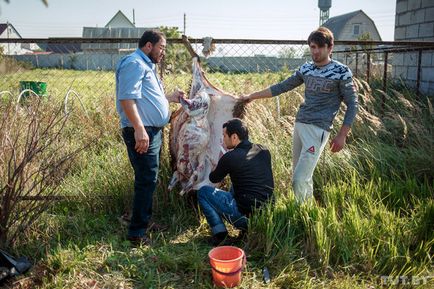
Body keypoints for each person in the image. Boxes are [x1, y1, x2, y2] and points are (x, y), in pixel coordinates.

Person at [243, 27, 358, 202]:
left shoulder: (341, 71)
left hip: (318, 129)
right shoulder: (306, 68)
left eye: (320, 47)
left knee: (299, 179)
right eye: (313, 47)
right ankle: (305, 213)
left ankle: (305, 216)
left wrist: (342, 135)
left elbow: (352, 104)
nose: (316, 51)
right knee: (300, 176)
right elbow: (281, 87)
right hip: (300, 125)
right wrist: (251, 96)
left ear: (330, 48)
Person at [115, 30, 185, 245]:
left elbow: (146, 97)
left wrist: (169, 99)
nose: (163, 52)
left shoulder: (146, 65)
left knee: (149, 179)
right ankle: (137, 233)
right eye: (161, 47)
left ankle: (143, 221)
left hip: (151, 131)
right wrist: (139, 129)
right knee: (146, 180)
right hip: (143, 132)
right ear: (148, 45)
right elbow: (127, 99)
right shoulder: (134, 64)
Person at [197, 118, 274, 246]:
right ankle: (245, 231)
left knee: (203, 192)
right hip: (266, 214)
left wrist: (219, 160)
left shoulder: (230, 157)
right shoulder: (264, 151)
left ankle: (220, 234)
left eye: (224, 135)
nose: (223, 139)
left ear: (234, 137)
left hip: (244, 217)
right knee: (239, 183)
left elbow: (213, 178)